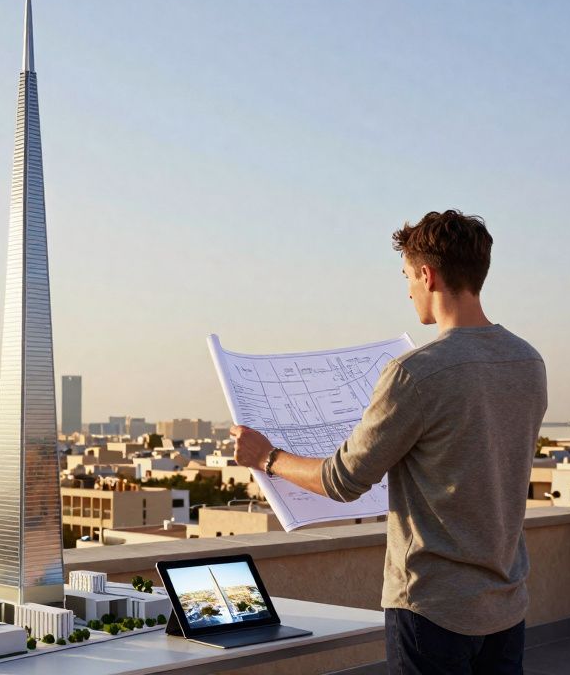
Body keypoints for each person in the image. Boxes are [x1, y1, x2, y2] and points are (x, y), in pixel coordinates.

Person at [231, 210, 547, 675]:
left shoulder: (415, 373)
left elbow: (342, 480)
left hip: (432, 608)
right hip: (505, 604)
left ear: (428, 274)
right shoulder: (528, 361)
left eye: (407, 276)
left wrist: (267, 457)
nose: (408, 291)